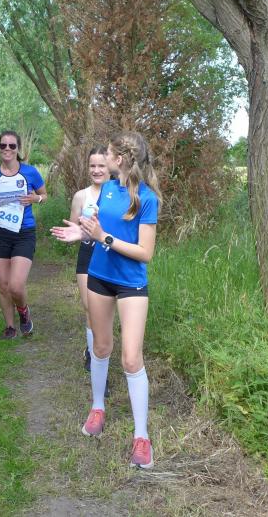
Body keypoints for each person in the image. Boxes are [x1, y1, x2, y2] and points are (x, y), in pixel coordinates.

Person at [50, 131, 161, 469]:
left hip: (131, 285)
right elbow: (95, 229)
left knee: (131, 359)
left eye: (110, 154)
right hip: (99, 277)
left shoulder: (146, 198)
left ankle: (141, 437)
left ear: (121, 159)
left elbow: (145, 253)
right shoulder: (108, 189)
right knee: (100, 347)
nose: (105, 158)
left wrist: (104, 237)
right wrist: (81, 233)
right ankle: (97, 407)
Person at [0, 131, 48, 339]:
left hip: (24, 232)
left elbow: (44, 195)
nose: (7, 149)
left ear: (18, 149)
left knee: (16, 286)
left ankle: (23, 312)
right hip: (1, 232)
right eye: (3, 145)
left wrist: (36, 199)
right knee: (3, 285)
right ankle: (10, 327)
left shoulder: (30, 172)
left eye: (12, 145)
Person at [70, 146, 109, 371]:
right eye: (92, 165)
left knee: (104, 312)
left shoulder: (120, 194)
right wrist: (78, 231)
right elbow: (73, 228)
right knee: (89, 307)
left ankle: (101, 349)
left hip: (111, 256)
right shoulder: (81, 196)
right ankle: (93, 353)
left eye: (101, 165)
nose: (96, 170)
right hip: (88, 254)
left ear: (110, 166)